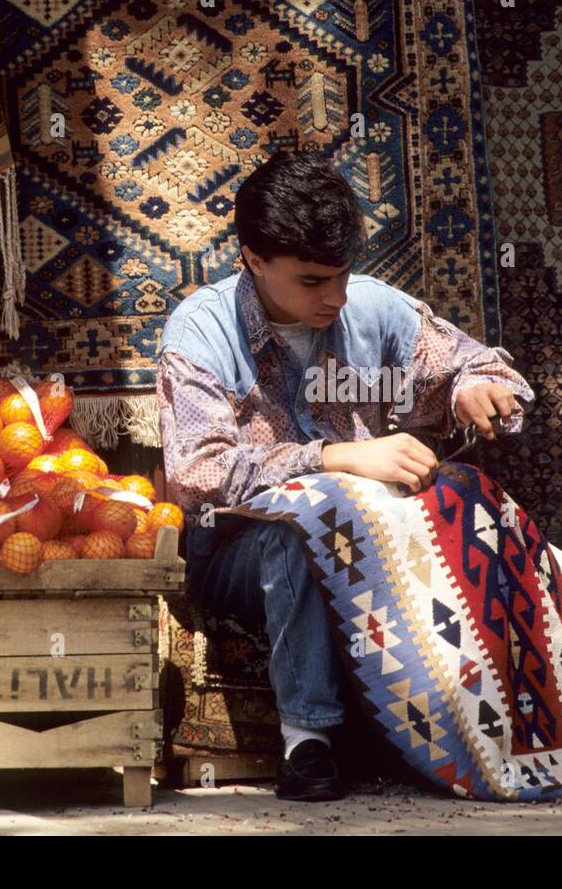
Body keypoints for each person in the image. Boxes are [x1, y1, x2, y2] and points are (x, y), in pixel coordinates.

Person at [157, 151, 534, 801]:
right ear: (252, 257)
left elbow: (483, 369)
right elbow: (200, 473)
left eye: (342, 274)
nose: (333, 296)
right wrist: (333, 458)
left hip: (370, 545)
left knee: (464, 511)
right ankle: (309, 743)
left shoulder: (374, 311)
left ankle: (468, 728)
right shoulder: (200, 331)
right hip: (239, 552)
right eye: (311, 281)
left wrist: (477, 390)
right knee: (299, 529)